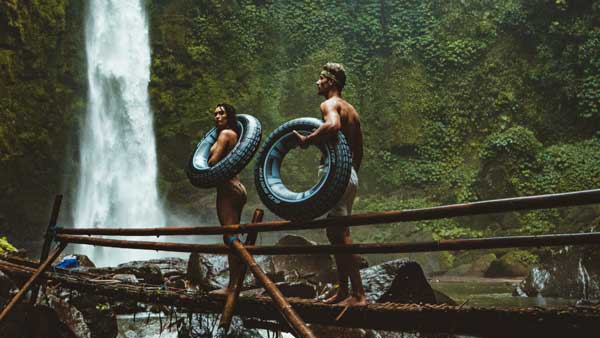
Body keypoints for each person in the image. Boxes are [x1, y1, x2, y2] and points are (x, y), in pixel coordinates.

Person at [293, 62, 367, 306]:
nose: (317, 82)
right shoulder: (352, 110)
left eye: (321, 78)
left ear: (331, 82)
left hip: (336, 173)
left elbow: (333, 126)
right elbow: (359, 150)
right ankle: (344, 291)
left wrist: (308, 139)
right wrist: (349, 172)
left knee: (339, 232)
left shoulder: (329, 104)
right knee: (336, 231)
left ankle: (358, 295)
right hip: (349, 175)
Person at [207, 103, 247, 295]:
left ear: (229, 116)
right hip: (238, 187)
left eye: (221, 113)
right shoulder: (234, 135)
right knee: (233, 235)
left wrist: (208, 158)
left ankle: (232, 286)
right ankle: (237, 281)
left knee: (230, 236)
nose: (217, 116)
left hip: (227, 189)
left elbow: (213, 162)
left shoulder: (224, 135)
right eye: (215, 114)